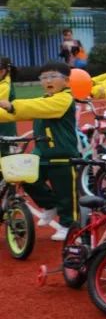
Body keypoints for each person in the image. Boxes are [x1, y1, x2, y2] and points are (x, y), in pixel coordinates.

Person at [0, 62, 79, 240]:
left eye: (52, 76)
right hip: (41, 152)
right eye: (43, 77)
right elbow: (19, 114)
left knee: (66, 195)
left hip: (62, 154)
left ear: (66, 80)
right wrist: (9, 110)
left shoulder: (64, 98)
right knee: (25, 177)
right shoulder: (45, 99)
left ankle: (69, 227)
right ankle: (50, 205)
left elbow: (36, 107)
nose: (47, 80)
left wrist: (12, 105)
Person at [0, 58, 14, 144]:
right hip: (5, 120)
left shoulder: (5, 85)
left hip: (4, 123)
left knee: (6, 148)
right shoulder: (5, 80)